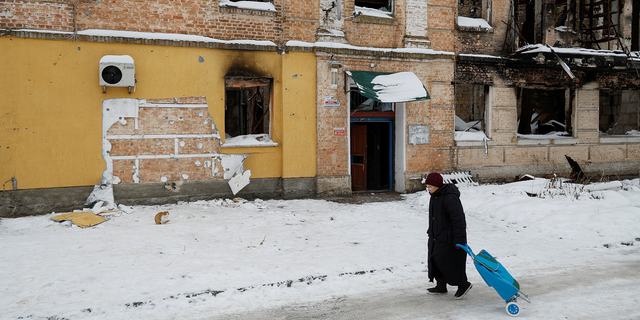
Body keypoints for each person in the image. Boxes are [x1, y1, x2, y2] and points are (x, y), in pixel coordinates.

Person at [424, 172, 472, 299]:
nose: (428, 190)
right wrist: (431, 231)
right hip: (437, 236)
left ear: (438, 186)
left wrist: (459, 240)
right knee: (436, 260)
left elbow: (458, 220)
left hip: (450, 238)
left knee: (452, 263)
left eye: (430, 187)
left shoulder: (450, 198)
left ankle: (463, 285)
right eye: (427, 187)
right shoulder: (434, 197)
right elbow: (434, 218)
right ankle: (441, 285)